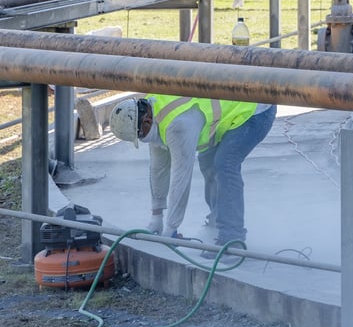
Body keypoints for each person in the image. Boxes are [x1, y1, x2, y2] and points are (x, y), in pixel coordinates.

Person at [109, 94, 276, 257]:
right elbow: (158, 169)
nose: (142, 139)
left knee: (224, 164)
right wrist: (156, 217)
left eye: (139, 135)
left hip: (254, 110)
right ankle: (215, 223)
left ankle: (233, 240)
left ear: (146, 121)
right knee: (208, 161)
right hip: (229, 115)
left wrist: (171, 229)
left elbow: (181, 177)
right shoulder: (151, 111)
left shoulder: (177, 125)